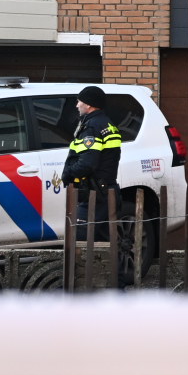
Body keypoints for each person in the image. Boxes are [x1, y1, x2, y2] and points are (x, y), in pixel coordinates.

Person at [63, 85, 128, 286]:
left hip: (95, 194)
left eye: (79, 101)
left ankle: (84, 288)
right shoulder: (107, 124)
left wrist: (68, 172)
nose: (77, 104)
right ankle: (117, 285)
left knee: (82, 241)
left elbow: (87, 163)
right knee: (108, 242)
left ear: (89, 104)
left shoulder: (91, 127)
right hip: (107, 190)